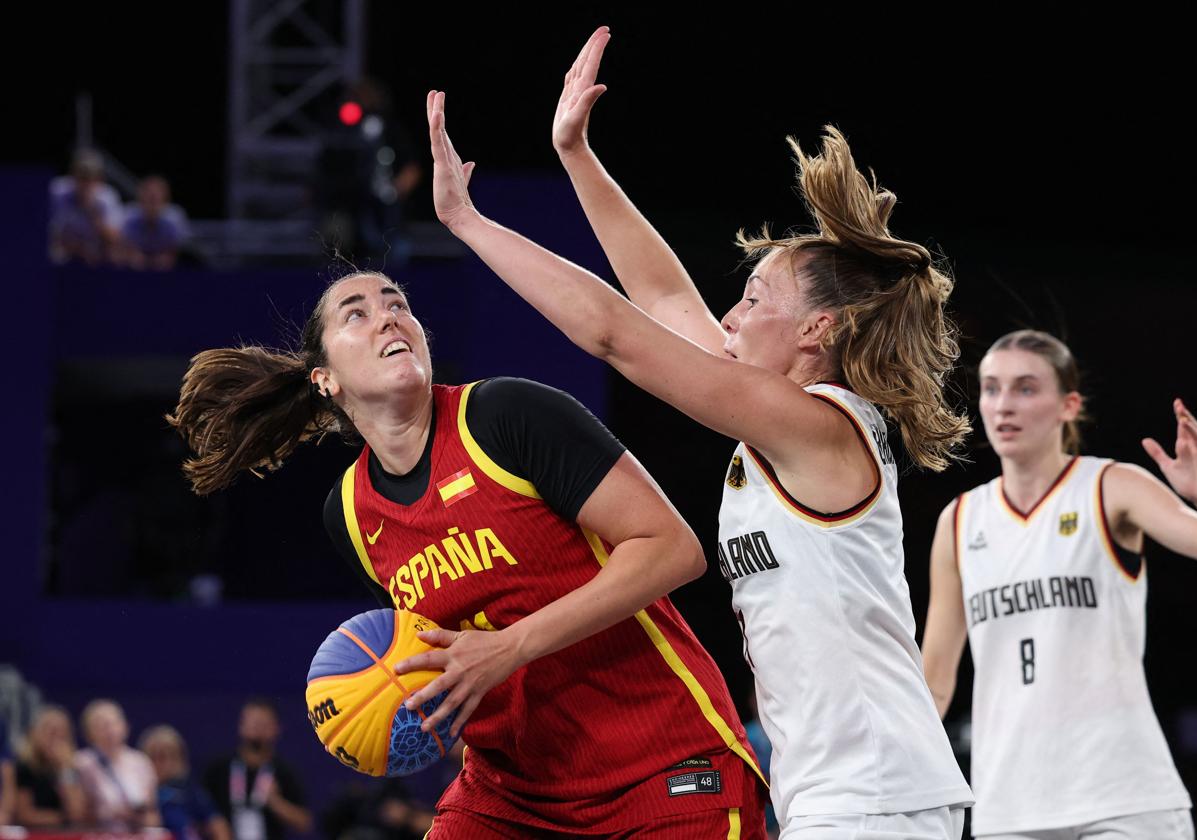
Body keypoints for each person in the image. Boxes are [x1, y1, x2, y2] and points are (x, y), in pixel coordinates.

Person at [415, 26, 975, 839]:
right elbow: (657, 294)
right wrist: (576, 154)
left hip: (879, 796)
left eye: (753, 299)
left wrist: (469, 223)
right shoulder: (779, 421)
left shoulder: (820, 427)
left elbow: (616, 333)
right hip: (843, 795)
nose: (730, 317)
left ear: (817, 331)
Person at [168, 269, 767, 837]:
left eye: (398, 305)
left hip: (662, 763)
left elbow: (673, 550)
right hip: (516, 793)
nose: (388, 318)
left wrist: (510, 647)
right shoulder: (350, 514)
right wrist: (392, 716)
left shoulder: (505, 415)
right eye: (358, 314)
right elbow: (432, 656)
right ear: (326, 379)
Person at [921, 329, 1197, 839]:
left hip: (1125, 799)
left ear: (1068, 405)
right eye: (991, 387)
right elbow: (935, 681)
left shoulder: (1110, 485)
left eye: (1026, 388)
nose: (1004, 404)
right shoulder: (959, 520)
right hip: (1009, 807)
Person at [201, 699, 311, 840]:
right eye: (253, 723)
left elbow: (305, 823)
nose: (258, 728)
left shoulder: (284, 772)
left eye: (263, 724)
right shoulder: (218, 770)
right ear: (241, 725)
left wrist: (276, 802)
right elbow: (198, 817)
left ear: (276, 728)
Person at [74, 698, 161, 831]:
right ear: (89, 733)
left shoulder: (140, 762)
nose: (109, 730)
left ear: (125, 726)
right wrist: (110, 814)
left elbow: (153, 815)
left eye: (112, 723)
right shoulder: (81, 763)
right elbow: (77, 815)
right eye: (101, 725)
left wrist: (139, 818)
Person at [140, 724, 232, 840]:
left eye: (165, 757)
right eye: (154, 756)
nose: (160, 764)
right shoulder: (137, 792)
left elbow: (218, 825)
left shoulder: (189, 792)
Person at [12, 705, 87, 828]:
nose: (55, 739)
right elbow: (25, 815)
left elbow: (77, 813)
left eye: (61, 733)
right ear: (35, 733)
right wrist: (63, 818)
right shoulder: (24, 766)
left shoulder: (70, 768)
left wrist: (65, 769)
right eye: (50, 732)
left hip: (65, 834)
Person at [48, 148, 123, 266]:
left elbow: (115, 238)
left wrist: (92, 211)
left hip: (93, 253)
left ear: (99, 179)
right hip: (63, 248)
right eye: (82, 177)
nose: (85, 183)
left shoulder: (107, 197)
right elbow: (43, 226)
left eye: (90, 178)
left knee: (115, 254)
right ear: (72, 175)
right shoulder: (58, 190)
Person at [119, 175, 190, 270]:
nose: (152, 204)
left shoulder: (175, 217)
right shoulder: (128, 215)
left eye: (155, 199)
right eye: (148, 198)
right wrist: (131, 254)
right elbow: (121, 246)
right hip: (134, 267)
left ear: (165, 199)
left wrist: (168, 256)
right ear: (140, 198)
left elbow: (178, 250)